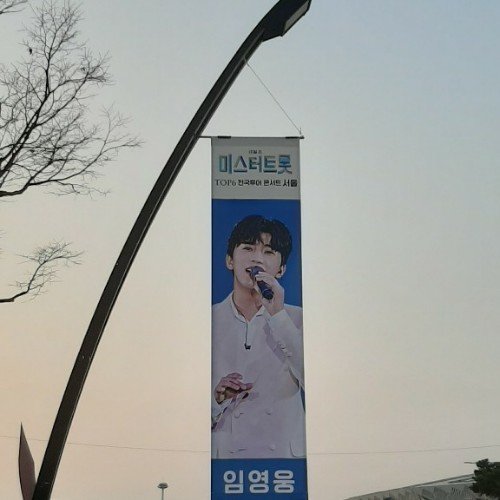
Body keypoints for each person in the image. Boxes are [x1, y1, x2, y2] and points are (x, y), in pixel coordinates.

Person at [211, 214, 305, 459]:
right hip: (228, 462)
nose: (257, 258)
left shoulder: (297, 319)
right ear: (230, 260)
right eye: (248, 248)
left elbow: (315, 382)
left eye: (269, 252)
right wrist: (216, 399)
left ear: (281, 269)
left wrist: (278, 315)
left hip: (284, 460)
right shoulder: (209, 320)